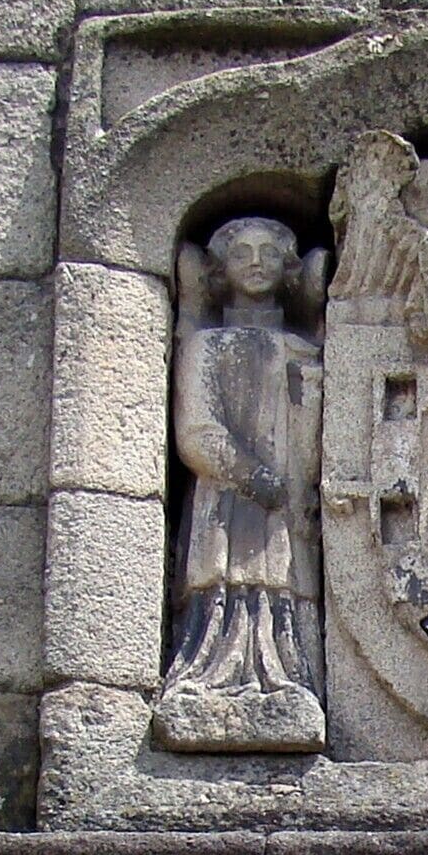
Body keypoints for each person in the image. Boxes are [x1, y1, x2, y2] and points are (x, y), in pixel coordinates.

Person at [163, 215, 324, 710]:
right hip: (229, 495)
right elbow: (195, 431)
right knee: (223, 585)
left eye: (270, 253)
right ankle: (215, 677)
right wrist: (254, 476)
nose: (256, 263)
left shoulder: (306, 350)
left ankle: (292, 675)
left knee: (287, 586)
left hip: (292, 500)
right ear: (219, 269)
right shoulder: (205, 346)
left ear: (289, 269)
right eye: (241, 253)